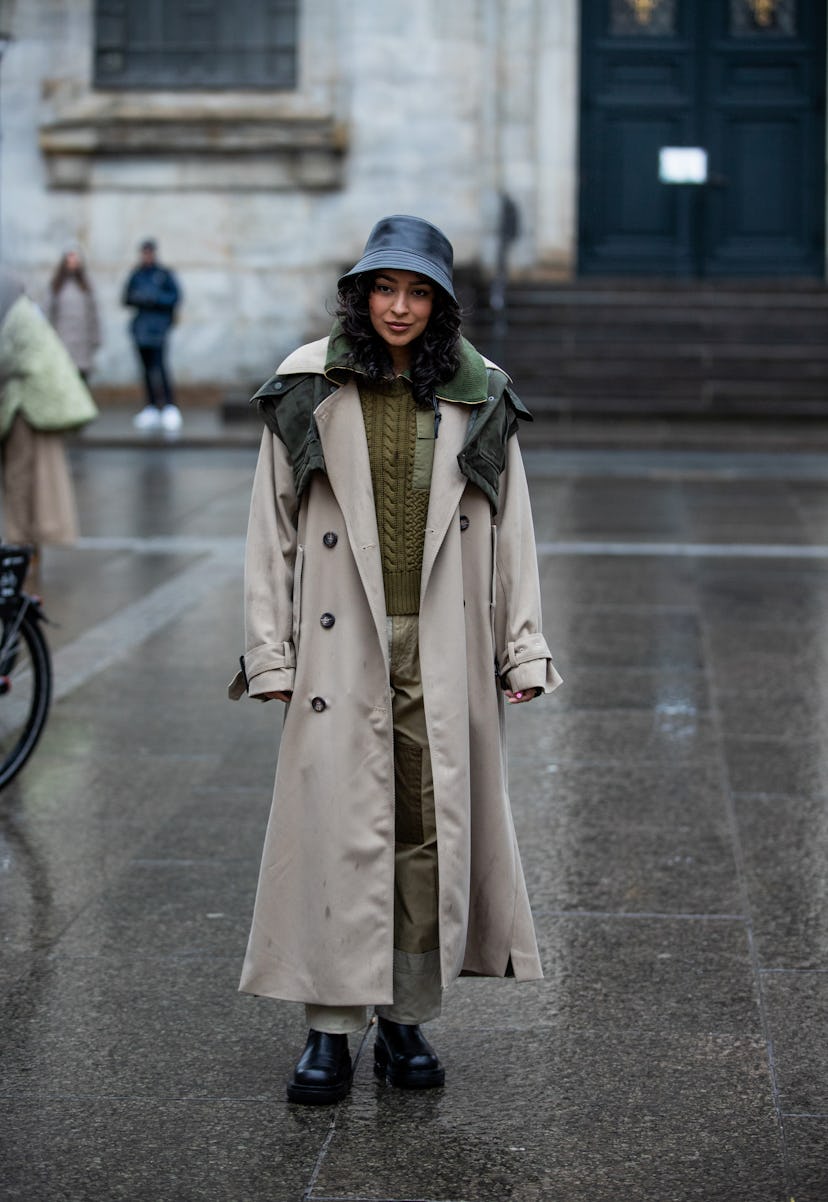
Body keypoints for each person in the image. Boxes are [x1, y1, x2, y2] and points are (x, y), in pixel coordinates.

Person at [229, 214, 561, 1106]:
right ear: (360, 293)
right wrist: (271, 653)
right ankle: (330, 1030)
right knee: (335, 835)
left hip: (444, 645)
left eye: (419, 292)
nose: (400, 307)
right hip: (343, 650)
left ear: (441, 303)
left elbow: (512, 529)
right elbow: (273, 529)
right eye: (386, 288)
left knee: (425, 834)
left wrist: (520, 643)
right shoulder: (309, 384)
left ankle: (407, 1016)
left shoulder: (481, 392)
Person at [0, 268, 98, 590]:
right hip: (33, 409)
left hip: (26, 412)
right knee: (30, 484)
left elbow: (6, 360)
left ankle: (19, 552)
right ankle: (26, 552)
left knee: (20, 482)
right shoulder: (25, 311)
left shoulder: (15, 318)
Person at [122, 239, 181, 431]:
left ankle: (169, 405)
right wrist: (140, 297)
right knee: (146, 369)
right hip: (141, 330)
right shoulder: (137, 274)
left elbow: (175, 296)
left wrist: (154, 298)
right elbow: (126, 297)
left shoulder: (163, 274)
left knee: (160, 368)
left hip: (158, 329)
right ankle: (152, 406)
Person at [47, 245, 101, 384]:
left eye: (75, 260)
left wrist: (95, 338)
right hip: (63, 340)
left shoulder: (85, 287)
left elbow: (92, 314)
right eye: (69, 260)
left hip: (82, 342)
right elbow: (49, 314)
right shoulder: (56, 286)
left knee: (82, 380)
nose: (72, 264)